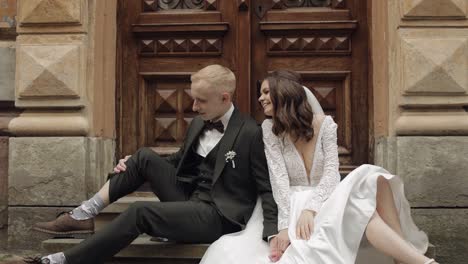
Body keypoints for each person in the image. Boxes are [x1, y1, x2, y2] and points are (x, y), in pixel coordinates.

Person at [26, 65, 278, 264]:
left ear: (224, 98)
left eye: (200, 101)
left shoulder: (249, 133)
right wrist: (134, 164)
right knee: (144, 156)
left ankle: (63, 261)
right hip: (189, 199)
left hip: (217, 215)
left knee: (140, 211)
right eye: (194, 99)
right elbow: (178, 162)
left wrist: (273, 232)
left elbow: (267, 188)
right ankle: (82, 215)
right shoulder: (200, 122)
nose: (193, 106)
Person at [200, 70, 437, 264]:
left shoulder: (326, 125)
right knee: (363, 211)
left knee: (372, 177)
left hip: (326, 196)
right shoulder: (269, 131)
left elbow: (332, 173)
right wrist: (283, 228)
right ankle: (416, 262)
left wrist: (311, 209)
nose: (260, 99)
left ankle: (411, 261)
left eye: (265, 92)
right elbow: (279, 180)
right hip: (290, 203)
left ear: (283, 93)